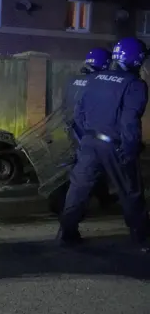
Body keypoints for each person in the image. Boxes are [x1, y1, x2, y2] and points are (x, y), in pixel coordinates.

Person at [58, 37, 149, 252]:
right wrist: (130, 149)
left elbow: (78, 114)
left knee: (78, 190)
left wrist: (86, 140)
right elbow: (129, 122)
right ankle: (142, 239)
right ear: (136, 59)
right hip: (114, 145)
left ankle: (67, 233)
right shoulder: (135, 85)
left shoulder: (94, 78)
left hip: (89, 142)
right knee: (131, 191)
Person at [49, 48, 118, 213]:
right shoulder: (97, 82)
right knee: (90, 168)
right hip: (89, 132)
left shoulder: (73, 80)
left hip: (73, 130)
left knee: (92, 166)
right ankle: (68, 205)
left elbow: (65, 104)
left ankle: (103, 197)